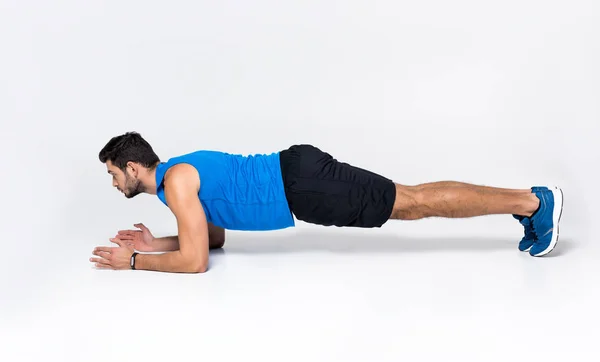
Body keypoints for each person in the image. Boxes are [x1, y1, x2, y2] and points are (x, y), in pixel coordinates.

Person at [90, 132, 563, 273]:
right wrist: (157, 242)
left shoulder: (176, 184)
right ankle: (529, 205)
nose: (113, 183)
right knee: (411, 200)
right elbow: (211, 239)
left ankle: (533, 203)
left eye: (113, 174)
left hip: (303, 186)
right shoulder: (179, 179)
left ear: (133, 168)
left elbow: (195, 262)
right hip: (300, 177)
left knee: (413, 202)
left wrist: (132, 261)